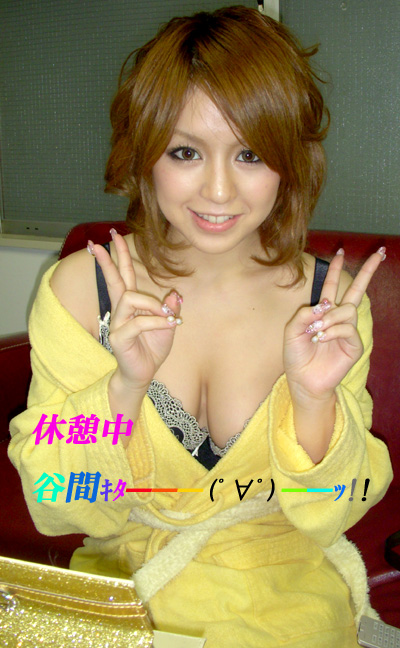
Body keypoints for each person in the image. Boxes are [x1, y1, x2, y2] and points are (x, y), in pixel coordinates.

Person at [8, 6, 392, 647]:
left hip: (283, 600)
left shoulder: (329, 306)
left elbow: (341, 505)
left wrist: (313, 401)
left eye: (249, 154)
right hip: (128, 593)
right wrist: (123, 391)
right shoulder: (82, 291)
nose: (218, 191)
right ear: (145, 153)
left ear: (289, 161)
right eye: (185, 152)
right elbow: (52, 496)